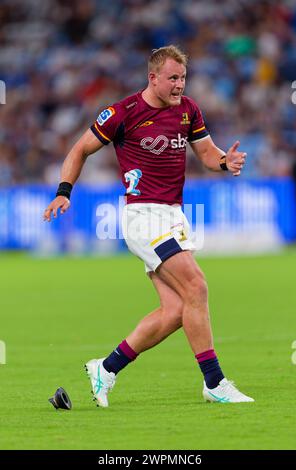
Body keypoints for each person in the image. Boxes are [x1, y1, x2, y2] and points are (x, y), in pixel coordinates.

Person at [44, 45, 254, 406]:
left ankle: (105, 369)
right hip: (143, 216)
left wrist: (226, 162)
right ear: (152, 78)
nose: (179, 85)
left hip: (173, 215)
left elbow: (207, 155)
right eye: (172, 78)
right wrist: (64, 192)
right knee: (197, 286)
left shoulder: (188, 110)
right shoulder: (123, 112)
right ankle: (214, 383)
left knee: (176, 310)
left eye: (183, 78)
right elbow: (79, 149)